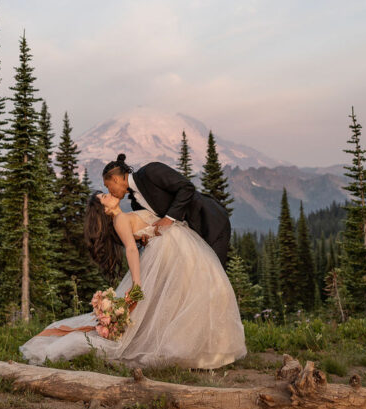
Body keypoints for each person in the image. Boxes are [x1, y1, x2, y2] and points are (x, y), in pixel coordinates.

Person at [18, 160, 246, 370]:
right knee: (191, 294)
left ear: (116, 179)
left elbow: (183, 192)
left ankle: (210, 346)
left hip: (201, 228)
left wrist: (161, 223)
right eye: (105, 196)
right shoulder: (120, 217)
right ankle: (198, 348)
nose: (109, 193)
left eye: (108, 189)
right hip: (173, 249)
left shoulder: (147, 179)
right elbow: (130, 248)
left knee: (206, 290)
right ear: (105, 210)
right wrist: (137, 282)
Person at [103, 153, 232, 266]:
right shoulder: (135, 203)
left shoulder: (150, 171)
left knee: (214, 276)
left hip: (210, 222)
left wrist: (168, 218)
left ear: (115, 179)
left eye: (108, 186)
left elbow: (187, 188)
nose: (109, 191)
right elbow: (157, 223)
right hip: (190, 239)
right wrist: (147, 237)